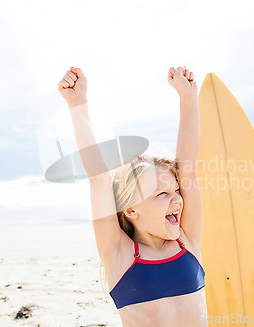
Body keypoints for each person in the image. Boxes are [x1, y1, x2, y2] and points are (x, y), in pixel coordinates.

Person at [58, 66, 208, 326]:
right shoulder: (119, 254)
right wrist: (78, 103)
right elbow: (98, 178)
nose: (177, 198)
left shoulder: (188, 240)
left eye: (175, 189)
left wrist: (189, 98)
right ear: (130, 209)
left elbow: (188, 169)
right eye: (162, 193)